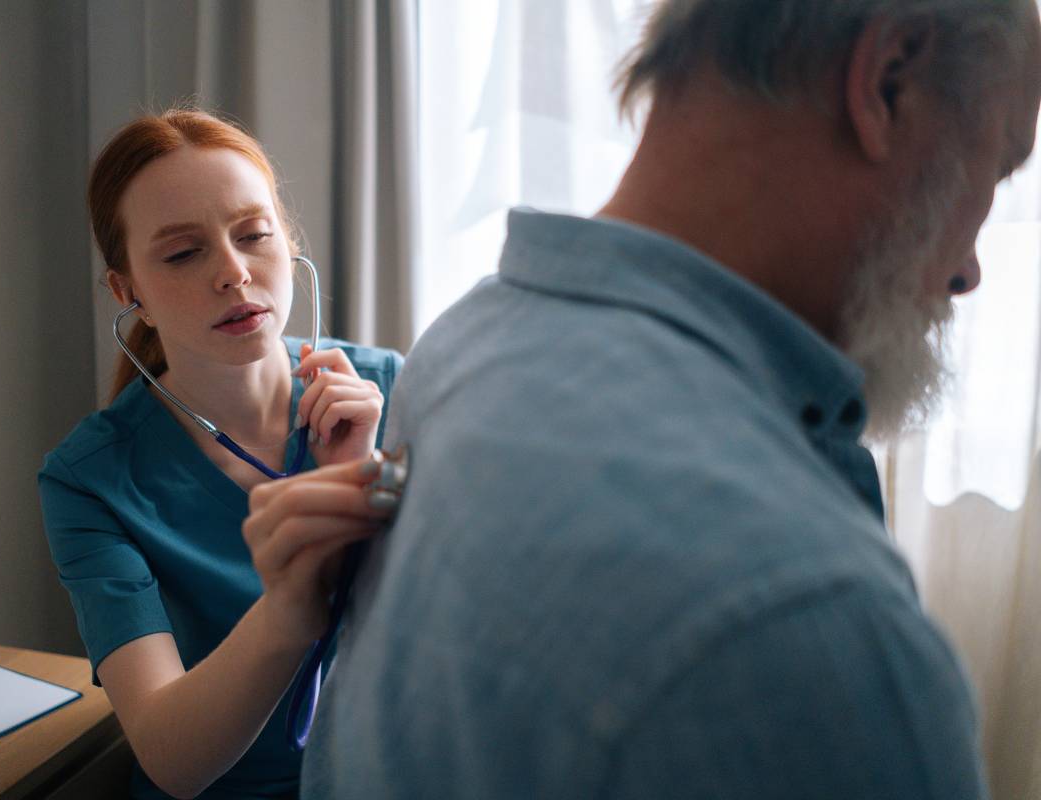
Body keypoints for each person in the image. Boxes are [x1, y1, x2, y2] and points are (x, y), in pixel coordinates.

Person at [247, 1, 1041, 797]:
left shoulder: (457, 348)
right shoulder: (813, 628)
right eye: (997, 163)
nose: (969, 269)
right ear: (891, 80)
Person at [37, 108, 403, 800]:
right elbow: (172, 759)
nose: (234, 274)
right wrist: (294, 600)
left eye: (254, 235)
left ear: (287, 242)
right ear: (128, 293)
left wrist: (367, 487)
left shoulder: (395, 391)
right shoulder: (90, 482)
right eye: (183, 253)